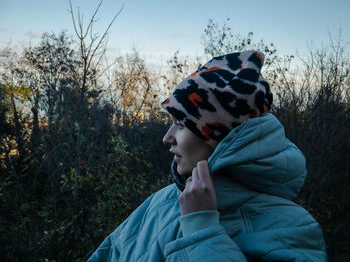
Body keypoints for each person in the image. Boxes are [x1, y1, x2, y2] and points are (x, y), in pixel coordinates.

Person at [88, 50, 327, 261]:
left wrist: (202, 230)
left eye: (180, 123)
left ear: (221, 134)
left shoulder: (293, 228)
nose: (167, 137)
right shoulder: (161, 202)